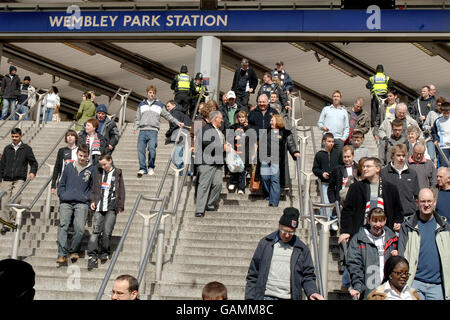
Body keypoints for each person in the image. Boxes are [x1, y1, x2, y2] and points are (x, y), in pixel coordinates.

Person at [245, 207, 324, 300]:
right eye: (284, 231)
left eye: (291, 232)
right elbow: (253, 274)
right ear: (279, 226)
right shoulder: (265, 244)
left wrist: (312, 292)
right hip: (265, 296)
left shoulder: (302, 249)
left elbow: (307, 276)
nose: (287, 235)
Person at [398, 188, 450, 300]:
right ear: (417, 203)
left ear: (434, 202)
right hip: (414, 282)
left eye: (429, 201)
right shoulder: (408, 226)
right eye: (423, 201)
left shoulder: (445, 227)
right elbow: (401, 255)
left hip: (438, 285)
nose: (426, 205)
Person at [339, 157, 404, 247]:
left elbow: (398, 210)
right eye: (364, 167)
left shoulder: (391, 188)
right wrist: (345, 231)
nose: (364, 169)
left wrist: (398, 222)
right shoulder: (355, 187)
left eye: (368, 166)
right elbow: (347, 211)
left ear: (377, 169)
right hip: (361, 233)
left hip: (384, 234)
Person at [347, 207, 399, 300]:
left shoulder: (393, 239)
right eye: (374, 221)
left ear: (385, 220)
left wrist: (397, 257)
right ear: (368, 220)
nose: (378, 224)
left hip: (389, 292)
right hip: (368, 291)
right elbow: (355, 266)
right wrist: (358, 287)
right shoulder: (358, 239)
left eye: (381, 221)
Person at [56, 144, 96, 264]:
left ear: (88, 156)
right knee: (63, 226)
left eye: (84, 156)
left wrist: (87, 197)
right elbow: (62, 182)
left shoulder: (92, 169)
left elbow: (93, 187)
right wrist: (62, 194)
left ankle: (74, 250)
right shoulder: (69, 166)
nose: (82, 158)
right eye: (80, 155)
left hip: (81, 202)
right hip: (66, 201)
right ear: (77, 154)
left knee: (79, 229)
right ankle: (62, 254)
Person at [133, 85, 184, 177]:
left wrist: (177, 122)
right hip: (143, 130)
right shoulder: (141, 104)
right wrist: (135, 127)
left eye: (153, 93)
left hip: (153, 130)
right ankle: (142, 168)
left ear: (155, 94)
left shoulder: (159, 105)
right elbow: (137, 118)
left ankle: (151, 167)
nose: (151, 94)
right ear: (147, 93)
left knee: (152, 149)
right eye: (150, 92)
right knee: (140, 149)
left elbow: (168, 116)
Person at [87, 154, 125, 269]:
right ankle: (92, 255)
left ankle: (104, 252)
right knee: (95, 231)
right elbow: (93, 188)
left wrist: (120, 205)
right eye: (101, 165)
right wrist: (92, 201)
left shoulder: (117, 172)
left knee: (107, 231)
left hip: (111, 207)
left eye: (105, 164)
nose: (103, 167)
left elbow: (121, 190)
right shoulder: (98, 172)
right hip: (99, 206)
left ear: (110, 161)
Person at [0, 128, 38, 233]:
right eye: (12, 137)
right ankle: (5, 224)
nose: (14, 138)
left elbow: (33, 163)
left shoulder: (26, 149)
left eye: (16, 136)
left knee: (16, 198)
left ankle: (12, 220)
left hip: (19, 178)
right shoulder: (7, 148)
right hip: (7, 178)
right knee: (4, 201)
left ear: (20, 136)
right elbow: (2, 164)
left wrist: (33, 172)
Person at [194, 111, 231, 217]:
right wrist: (222, 147)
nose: (222, 120)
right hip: (207, 162)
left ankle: (210, 204)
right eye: (221, 118)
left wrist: (225, 146)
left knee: (218, 184)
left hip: (217, 162)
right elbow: (206, 143)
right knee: (204, 185)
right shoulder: (205, 129)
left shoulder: (218, 131)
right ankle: (200, 209)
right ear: (215, 119)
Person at [259, 115, 300, 207]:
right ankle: (268, 194)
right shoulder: (267, 131)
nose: (270, 122)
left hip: (277, 159)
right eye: (270, 120)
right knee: (264, 178)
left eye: (272, 120)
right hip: (265, 158)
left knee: (275, 179)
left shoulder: (285, 133)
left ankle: (274, 202)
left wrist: (295, 152)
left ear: (278, 121)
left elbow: (291, 144)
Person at [381, 144, 420, 218]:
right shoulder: (384, 173)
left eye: (403, 155)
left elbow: (417, 194)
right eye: (398, 155)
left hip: (409, 214)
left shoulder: (412, 173)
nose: (401, 158)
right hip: (390, 215)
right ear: (392, 156)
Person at [312, 133, 342, 219]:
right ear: (324, 142)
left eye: (333, 141)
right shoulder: (319, 154)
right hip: (324, 183)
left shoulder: (338, 153)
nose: (331, 143)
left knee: (336, 204)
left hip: (336, 184)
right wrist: (322, 173)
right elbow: (315, 169)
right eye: (329, 141)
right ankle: (325, 224)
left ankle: (334, 222)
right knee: (326, 204)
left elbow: (341, 167)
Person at [317, 90, 349, 155]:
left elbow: (347, 127)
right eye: (334, 96)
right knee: (324, 158)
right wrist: (322, 127)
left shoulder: (344, 111)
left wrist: (343, 138)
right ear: (332, 98)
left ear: (340, 98)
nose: (336, 98)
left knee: (337, 161)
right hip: (327, 138)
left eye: (337, 96)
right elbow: (319, 123)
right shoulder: (326, 109)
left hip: (339, 139)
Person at [165, 100, 193, 174]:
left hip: (182, 133)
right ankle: (184, 171)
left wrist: (167, 134)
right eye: (166, 107)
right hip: (185, 132)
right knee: (180, 153)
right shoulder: (179, 111)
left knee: (177, 154)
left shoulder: (174, 112)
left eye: (168, 106)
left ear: (174, 105)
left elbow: (175, 124)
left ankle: (182, 171)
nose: (167, 108)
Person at [227, 111, 250, 194]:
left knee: (242, 170)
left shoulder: (248, 127)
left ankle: (241, 188)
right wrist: (234, 137)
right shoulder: (233, 127)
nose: (241, 119)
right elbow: (229, 136)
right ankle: (232, 182)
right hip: (235, 151)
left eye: (243, 117)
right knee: (234, 167)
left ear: (246, 118)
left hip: (243, 151)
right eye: (240, 117)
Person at [51, 130, 79, 195]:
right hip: (63, 182)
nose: (70, 137)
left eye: (72, 135)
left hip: (76, 182)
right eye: (68, 136)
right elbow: (56, 168)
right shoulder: (62, 151)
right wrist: (53, 185)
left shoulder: (80, 150)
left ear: (76, 138)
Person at [423, 96, 445, 163]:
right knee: (431, 157)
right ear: (436, 105)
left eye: (442, 105)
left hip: (442, 139)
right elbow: (424, 125)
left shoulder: (446, 115)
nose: (440, 107)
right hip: (431, 138)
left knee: (442, 158)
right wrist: (431, 128)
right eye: (438, 105)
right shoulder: (431, 113)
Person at [432, 101, 450, 168]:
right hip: (443, 146)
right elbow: (434, 132)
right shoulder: (438, 121)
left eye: (448, 112)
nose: (446, 115)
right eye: (444, 113)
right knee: (444, 165)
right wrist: (436, 140)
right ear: (442, 111)